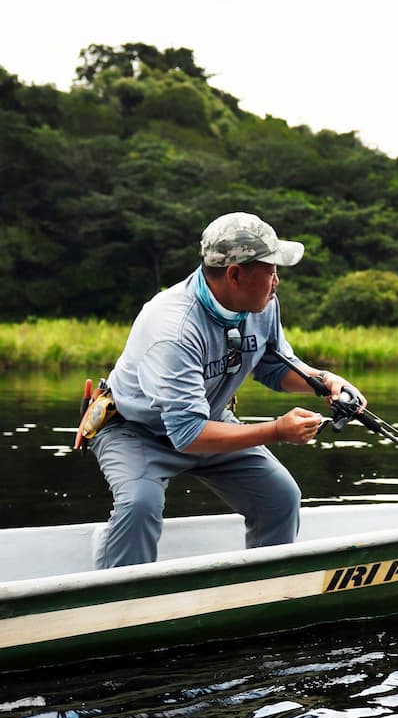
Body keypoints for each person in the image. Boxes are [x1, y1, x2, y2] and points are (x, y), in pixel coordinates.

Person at [91, 212, 365, 569]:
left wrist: (327, 381)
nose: (277, 281)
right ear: (235, 274)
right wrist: (277, 431)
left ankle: (264, 591)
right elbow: (188, 435)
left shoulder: (261, 305)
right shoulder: (172, 328)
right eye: (270, 270)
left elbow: (274, 367)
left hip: (210, 421)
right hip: (135, 430)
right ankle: (117, 599)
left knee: (280, 497)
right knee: (139, 505)